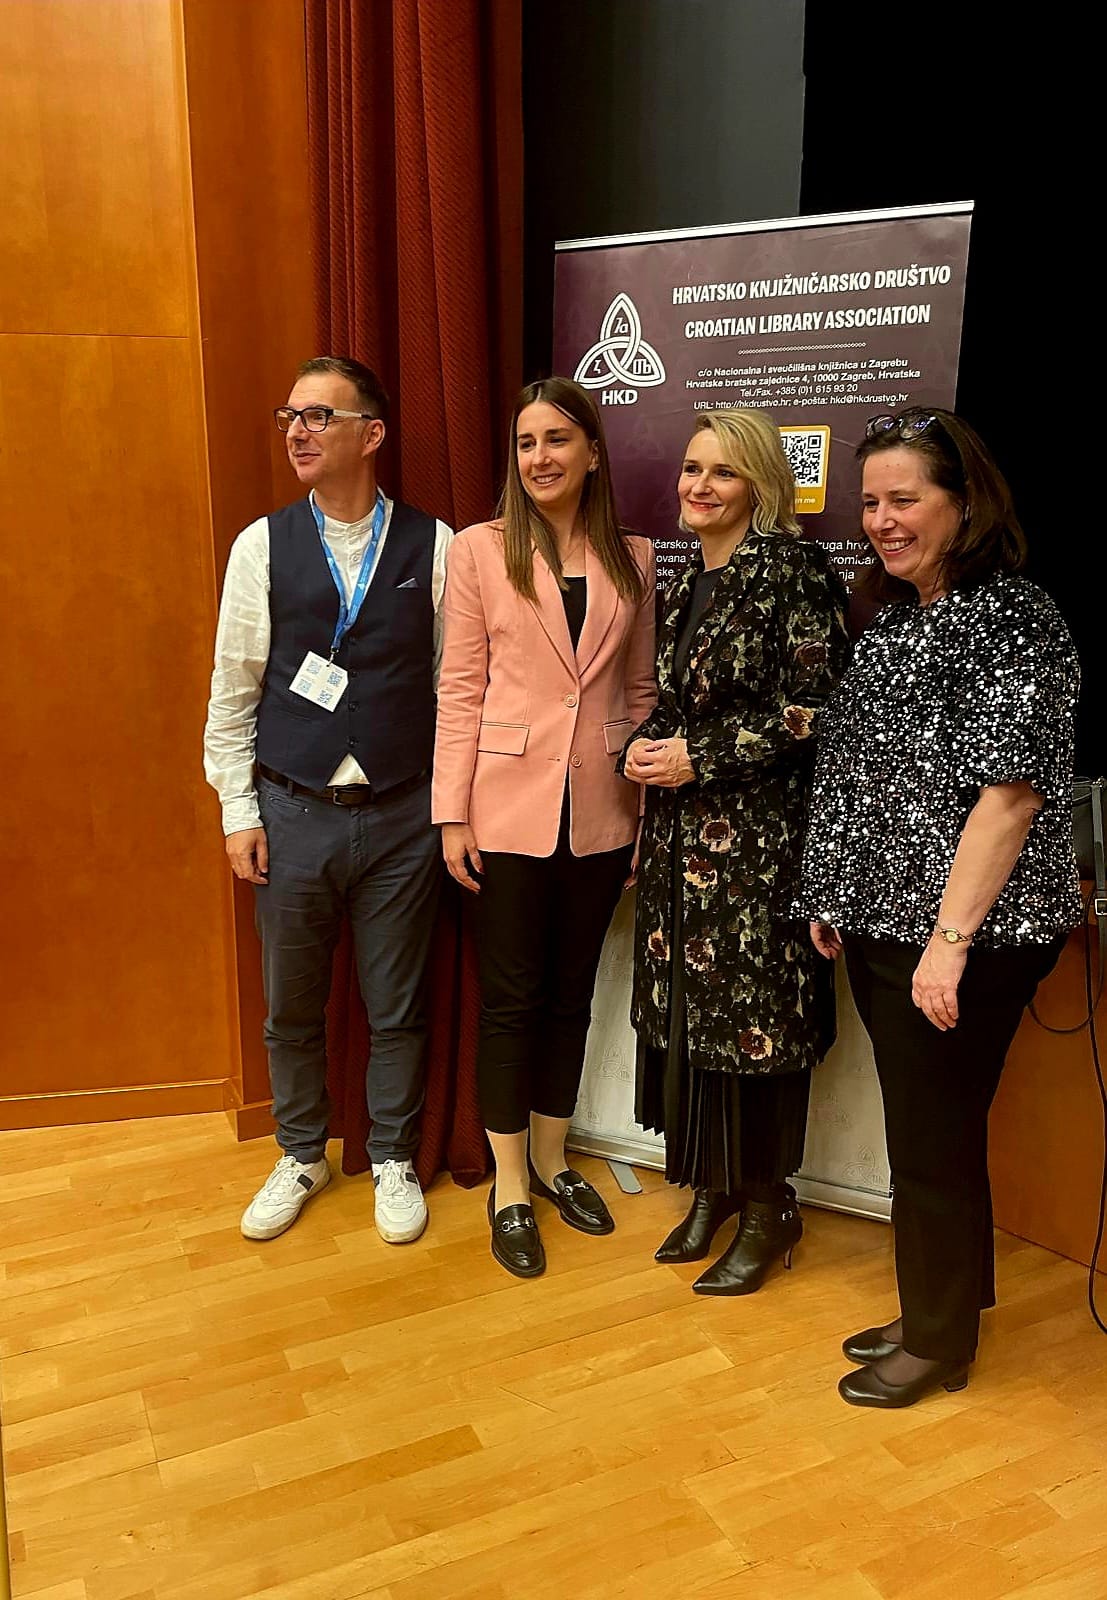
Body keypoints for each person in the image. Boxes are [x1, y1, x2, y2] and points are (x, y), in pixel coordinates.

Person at [797, 406, 1082, 1408]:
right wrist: (834, 888)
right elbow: (861, 773)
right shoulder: (897, 620)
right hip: (885, 921)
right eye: (870, 501)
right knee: (928, 1129)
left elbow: (1010, 797)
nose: (881, 519)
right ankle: (940, 1303)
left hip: (968, 933)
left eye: (905, 499)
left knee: (930, 1137)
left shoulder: (1014, 620)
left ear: (965, 504)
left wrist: (948, 944)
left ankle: (937, 1341)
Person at [204, 356, 452, 1245]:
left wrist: (447, 810)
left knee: (396, 1005)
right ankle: (300, 1151)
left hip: (401, 815)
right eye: (290, 417)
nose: (297, 432)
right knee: (291, 1009)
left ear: (371, 434)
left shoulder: (436, 545)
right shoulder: (260, 545)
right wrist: (239, 811)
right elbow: (233, 688)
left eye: (318, 416)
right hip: (293, 811)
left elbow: (454, 688)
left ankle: (391, 1156)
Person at [622, 409, 850, 1295]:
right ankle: (712, 1189)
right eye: (691, 468)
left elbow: (819, 708)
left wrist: (699, 756)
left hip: (758, 852)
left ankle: (768, 1207)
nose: (699, 486)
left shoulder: (791, 570)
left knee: (756, 1032)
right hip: (679, 853)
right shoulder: (688, 582)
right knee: (694, 1025)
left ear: (760, 485)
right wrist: (644, 746)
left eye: (722, 472)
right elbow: (681, 705)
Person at [433, 376, 656, 1278]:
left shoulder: (635, 557)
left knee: (572, 997)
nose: (540, 458)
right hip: (504, 811)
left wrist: (642, 813)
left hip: (601, 811)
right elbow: (459, 689)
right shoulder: (479, 551)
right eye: (526, 443)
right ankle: (510, 1185)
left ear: (592, 452)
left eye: (557, 439)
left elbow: (638, 693)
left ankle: (556, 1162)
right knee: (511, 1002)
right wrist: (451, 813)